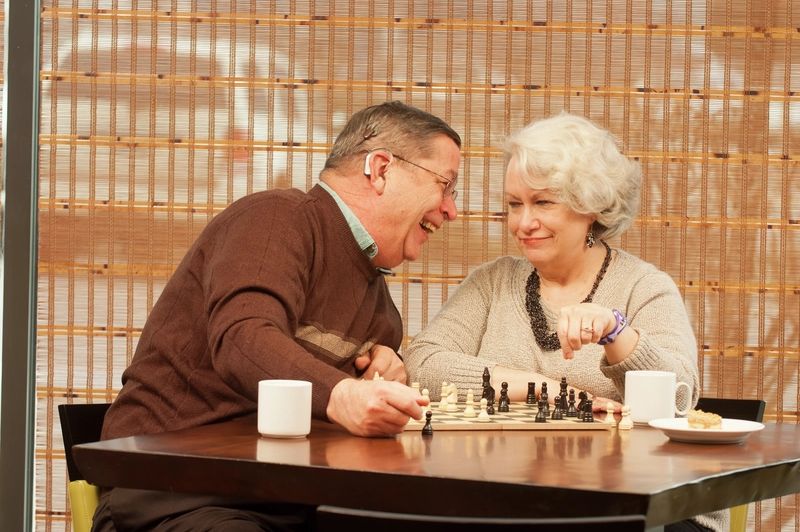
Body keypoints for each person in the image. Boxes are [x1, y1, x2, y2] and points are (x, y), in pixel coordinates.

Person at [91, 100, 461, 532]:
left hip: (284, 498)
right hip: (173, 492)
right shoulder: (275, 217)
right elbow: (244, 337)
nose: (452, 209)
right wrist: (344, 394)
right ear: (380, 169)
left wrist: (383, 372)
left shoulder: (378, 305)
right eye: (446, 185)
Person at [404, 112, 725, 532]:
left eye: (543, 202)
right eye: (514, 205)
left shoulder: (645, 286)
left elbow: (680, 396)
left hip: (640, 509)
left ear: (590, 206)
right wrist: (548, 391)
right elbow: (423, 365)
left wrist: (616, 332)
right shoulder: (491, 282)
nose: (523, 223)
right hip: (509, 500)